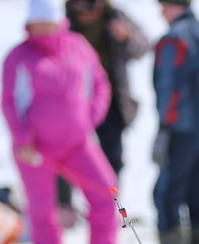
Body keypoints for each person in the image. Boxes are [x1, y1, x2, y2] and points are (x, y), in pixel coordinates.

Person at [0, 0, 128, 244]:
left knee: (107, 193)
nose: (44, 29)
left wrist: (89, 118)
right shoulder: (18, 56)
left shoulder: (78, 45)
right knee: (43, 209)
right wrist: (23, 137)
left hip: (77, 142)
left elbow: (100, 83)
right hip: (35, 148)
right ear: (29, 25)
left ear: (61, 22)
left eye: (49, 23)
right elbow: (9, 101)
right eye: (38, 24)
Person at [144, 0, 199, 244]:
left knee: (167, 195)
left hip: (180, 126)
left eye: (162, 5)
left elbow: (170, 87)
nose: (160, 11)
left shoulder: (175, 38)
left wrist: (166, 124)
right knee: (198, 191)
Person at [56, 0, 149, 222]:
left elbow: (143, 47)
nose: (86, 9)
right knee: (64, 154)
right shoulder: (61, 22)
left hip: (112, 102)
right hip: (71, 103)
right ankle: (64, 206)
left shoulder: (116, 18)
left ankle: (110, 207)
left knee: (111, 159)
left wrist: (126, 37)